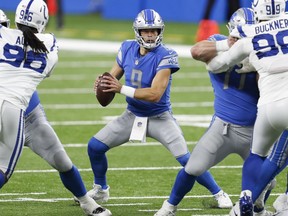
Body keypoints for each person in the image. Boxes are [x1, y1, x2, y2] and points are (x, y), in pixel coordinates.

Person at [85, 8, 233, 209]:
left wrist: (120, 89)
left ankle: (218, 192)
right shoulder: (127, 48)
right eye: (146, 31)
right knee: (95, 147)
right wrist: (103, 83)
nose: (150, 34)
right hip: (132, 115)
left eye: (154, 30)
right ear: (138, 31)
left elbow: (155, 94)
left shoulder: (166, 55)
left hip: (159, 117)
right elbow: (111, 79)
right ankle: (101, 189)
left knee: (188, 160)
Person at [154, 7, 275, 216]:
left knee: (268, 180)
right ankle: (168, 207)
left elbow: (267, 90)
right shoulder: (219, 41)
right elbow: (196, 51)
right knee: (193, 168)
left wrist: (257, 63)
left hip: (254, 130)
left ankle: (259, 208)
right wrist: (227, 46)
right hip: (223, 127)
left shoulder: (263, 50)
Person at [0, 3, 111, 216]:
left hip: (30, 116)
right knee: (4, 169)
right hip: (12, 110)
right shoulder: (50, 44)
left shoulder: (8, 38)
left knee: (61, 159)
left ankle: (87, 203)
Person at [205, 0, 288, 215]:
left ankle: (247, 196)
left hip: (267, 109)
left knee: (257, 155)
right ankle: (284, 200)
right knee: (277, 157)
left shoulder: (248, 33)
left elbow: (218, 64)